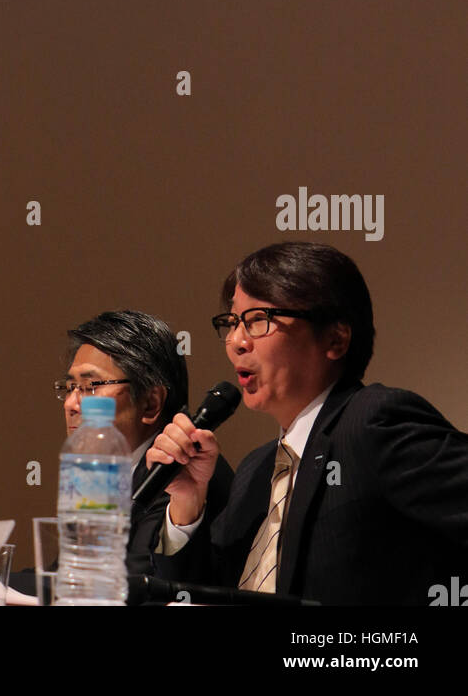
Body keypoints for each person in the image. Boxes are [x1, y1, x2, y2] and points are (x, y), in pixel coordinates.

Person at [147, 241, 468, 605]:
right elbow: (200, 596)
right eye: (232, 322)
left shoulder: (372, 423)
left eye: (258, 321)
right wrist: (187, 503)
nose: (236, 341)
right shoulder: (256, 470)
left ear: (335, 338)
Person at [0, 309, 233, 589]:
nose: (71, 404)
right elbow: (66, 576)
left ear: (150, 402)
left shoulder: (185, 469)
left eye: (90, 387)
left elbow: (133, 580)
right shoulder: (107, 474)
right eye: (69, 388)